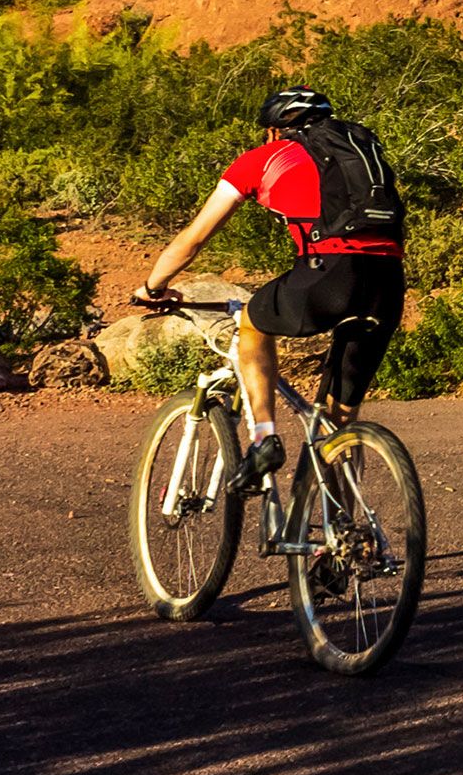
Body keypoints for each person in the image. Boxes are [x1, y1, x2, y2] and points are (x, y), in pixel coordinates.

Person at [136, 87, 408, 493]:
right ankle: (344, 539)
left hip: (329, 273)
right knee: (336, 422)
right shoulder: (359, 155)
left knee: (253, 322)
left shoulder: (263, 159)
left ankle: (264, 441)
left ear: (273, 131)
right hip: (388, 280)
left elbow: (193, 240)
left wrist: (152, 286)